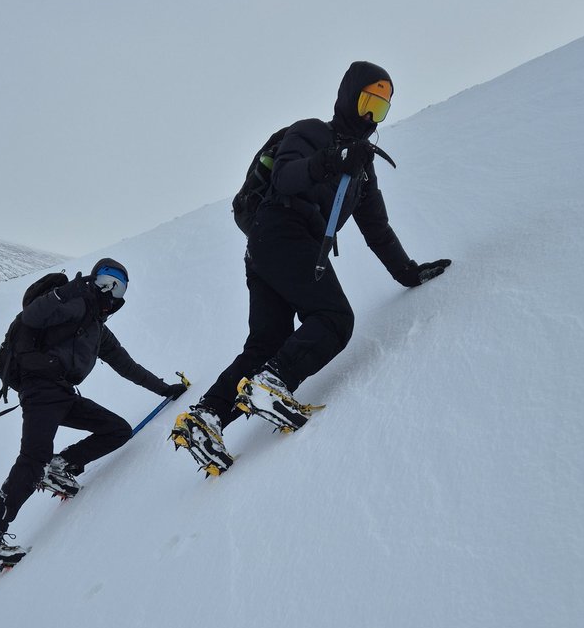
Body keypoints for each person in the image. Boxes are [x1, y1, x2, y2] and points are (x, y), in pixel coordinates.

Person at [171, 61, 451, 475]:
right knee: (334, 319)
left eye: (380, 109)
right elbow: (285, 177)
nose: (370, 116)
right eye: (367, 101)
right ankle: (273, 382)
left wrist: (408, 272)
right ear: (348, 97)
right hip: (281, 231)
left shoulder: (362, 170)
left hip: (270, 250)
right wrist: (332, 159)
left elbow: (377, 228)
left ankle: (207, 417)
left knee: (267, 342)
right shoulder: (311, 132)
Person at [0, 258, 187, 569]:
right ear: (94, 279)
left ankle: (60, 466)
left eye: (119, 287)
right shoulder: (75, 302)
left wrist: (165, 389)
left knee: (117, 430)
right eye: (105, 281)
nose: (110, 291)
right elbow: (32, 316)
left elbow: (127, 366)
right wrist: (66, 292)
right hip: (40, 390)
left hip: (62, 394)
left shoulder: (97, 330)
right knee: (33, 457)